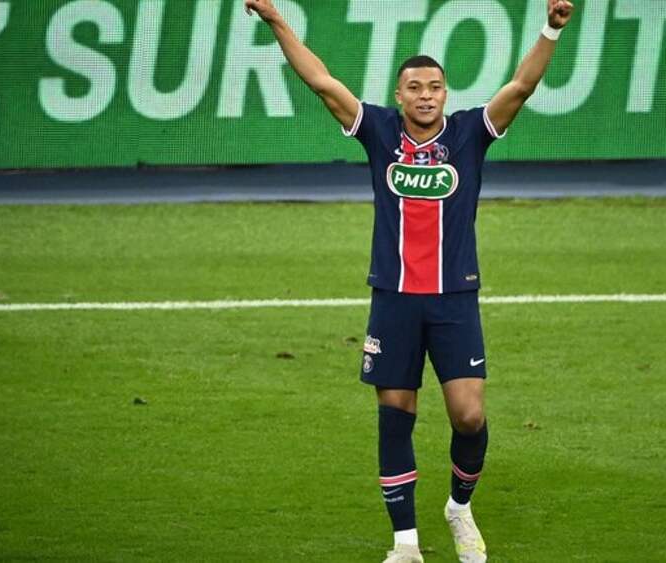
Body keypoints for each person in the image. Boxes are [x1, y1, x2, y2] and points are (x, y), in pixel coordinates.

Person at [243, 1, 574, 561]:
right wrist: (278, 22)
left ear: (446, 94)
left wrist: (550, 29)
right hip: (394, 298)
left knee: (469, 415)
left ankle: (459, 507)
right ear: (399, 95)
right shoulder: (379, 130)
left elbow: (521, 86)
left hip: (454, 298)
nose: (425, 96)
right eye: (415, 88)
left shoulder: (470, 133)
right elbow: (322, 82)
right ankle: (405, 545)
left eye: (434, 87)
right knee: (395, 416)